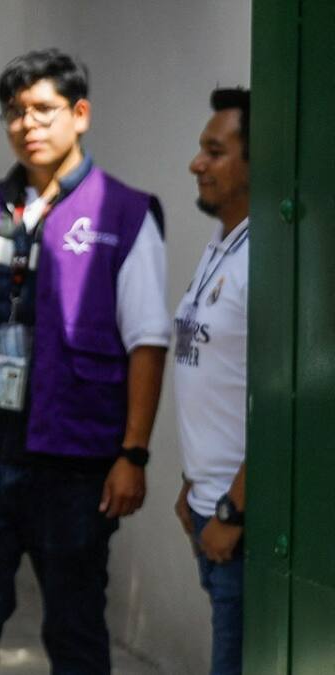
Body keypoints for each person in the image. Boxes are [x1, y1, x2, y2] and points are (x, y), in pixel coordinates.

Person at [0, 49, 171, 673]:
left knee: (76, 627)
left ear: (79, 115)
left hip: (74, 465)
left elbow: (148, 342)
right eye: (15, 112)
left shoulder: (125, 214)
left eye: (44, 110)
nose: (28, 124)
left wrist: (132, 455)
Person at [173, 87, 251, 675]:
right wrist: (192, 482)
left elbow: (281, 401)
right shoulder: (221, 248)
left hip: (242, 521)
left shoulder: (266, 260)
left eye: (215, 151)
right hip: (209, 505)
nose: (198, 164)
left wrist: (234, 510)